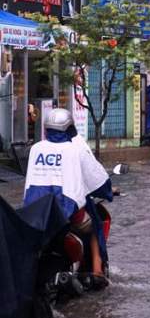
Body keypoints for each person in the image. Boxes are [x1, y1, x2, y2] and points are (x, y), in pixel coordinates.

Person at [23, 108, 112, 287]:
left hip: (36, 216)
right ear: (70, 128)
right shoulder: (75, 149)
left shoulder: (35, 149)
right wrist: (108, 192)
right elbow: (99, 182)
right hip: (68, 216)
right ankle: (97, 272)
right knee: (96, 223)